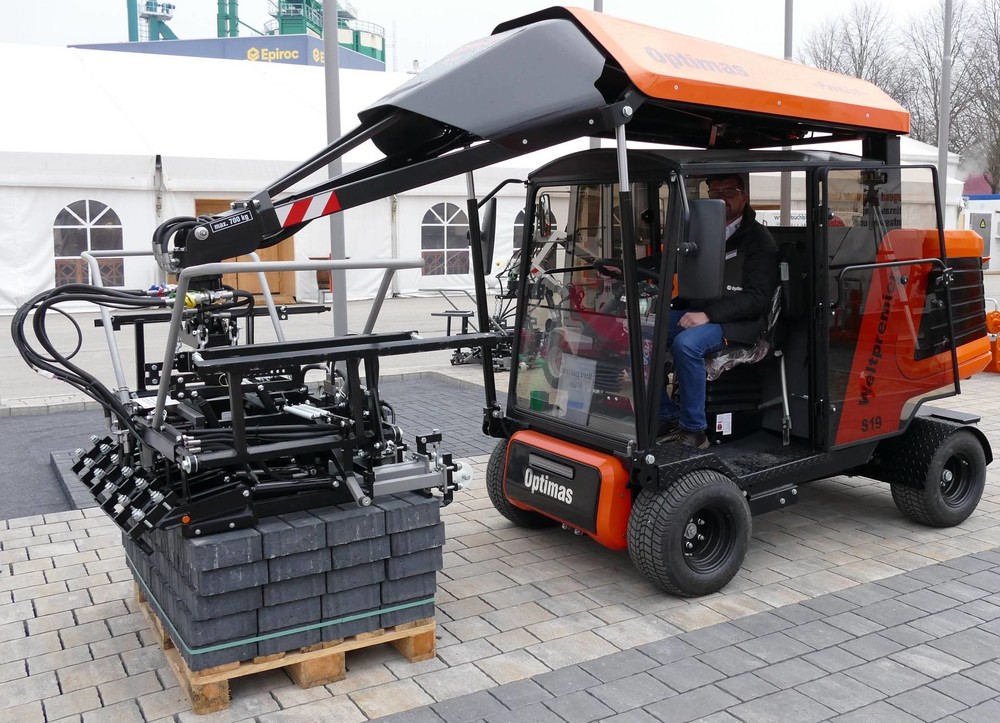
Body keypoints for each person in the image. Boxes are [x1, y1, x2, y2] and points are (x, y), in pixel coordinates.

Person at [658, 174, 778, 449]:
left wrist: (708, 315)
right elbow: (671, 261)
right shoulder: (703, 232)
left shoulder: (759, 240)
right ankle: (665, 413)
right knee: (643, 331)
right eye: (715, 193)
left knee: (687, 344)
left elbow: (757, 298)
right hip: (700, 312)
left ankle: (695, 430)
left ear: (744, 197)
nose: (721, 198)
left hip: (739, 323)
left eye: (729, 192)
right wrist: (627, 267)